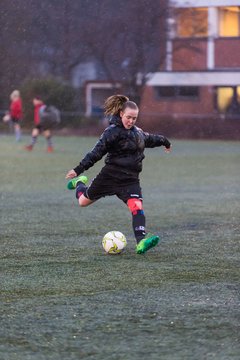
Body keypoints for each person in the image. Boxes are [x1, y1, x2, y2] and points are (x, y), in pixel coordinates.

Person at [66, 94, 171, 254]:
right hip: (109, 176)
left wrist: (165, 141)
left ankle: (141, 241)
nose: (131, 121)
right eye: (129, 117)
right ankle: (80, 183)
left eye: (134, 118)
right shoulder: (111, 132)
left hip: (130, 180)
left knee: (137, 206)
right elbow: (95, 153)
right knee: (82, 202)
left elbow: (151, 139)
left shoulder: (138, 133)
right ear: (121, 114)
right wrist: (78, 170)